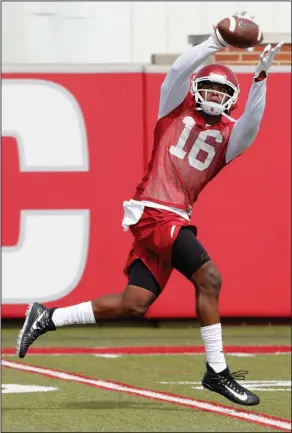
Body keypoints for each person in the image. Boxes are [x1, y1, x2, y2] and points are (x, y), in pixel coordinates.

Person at [16, 11, 283, 406]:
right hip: (155, 210)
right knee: (209, 279)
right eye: (206, 88)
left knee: (134, 303)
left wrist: (260, 79)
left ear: (231, 99)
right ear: (195, 89)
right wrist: (214, 42)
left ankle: (46, 317)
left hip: (170, 217)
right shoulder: (172, 109)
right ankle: (218, 371)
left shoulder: (231, 138)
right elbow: (175, 70)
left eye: (219, 92)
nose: (211, 96)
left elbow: (253, 125)